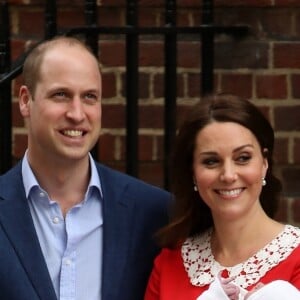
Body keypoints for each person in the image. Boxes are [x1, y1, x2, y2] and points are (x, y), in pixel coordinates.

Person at [0, 36, 172, 300]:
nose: (77, 114)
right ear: (25, 100)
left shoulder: (154, 213)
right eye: (61, 95)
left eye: (90, 97)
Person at [144, 94, 300, 300]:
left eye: (243, 158)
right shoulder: (170, 262)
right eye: (211, 161)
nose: (228, 175)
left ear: (264, 163)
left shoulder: (296, 258)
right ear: (193, 172)